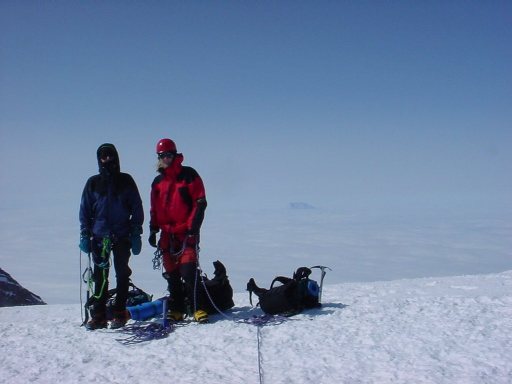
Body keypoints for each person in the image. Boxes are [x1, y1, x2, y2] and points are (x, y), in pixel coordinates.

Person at [79, 143, 144, 330]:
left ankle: (119, 313)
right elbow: (85, 209)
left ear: (116, 157)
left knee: (122, 274)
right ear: (99, 159)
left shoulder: (126, 181)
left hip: (122, 235)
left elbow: (136, 207)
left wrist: (135, 231)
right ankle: (98, 316)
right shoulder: (93, 183)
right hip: (99, 237)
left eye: (110, 156)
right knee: (100, 277)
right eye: (103, 157)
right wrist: (85, 232)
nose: (107, 160)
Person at [148, 138, 208, 323]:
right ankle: (177, 309)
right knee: (172, 274)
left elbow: (200, 202)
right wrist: (153, 229)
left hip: (186, 233)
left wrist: (192, 229)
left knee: (189, 271)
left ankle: (197, 308)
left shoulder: (189, 175)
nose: (166, 158)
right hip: (167, 234)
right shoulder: (157, 182)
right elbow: (154, 209)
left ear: (175, 155)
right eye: (162, 156)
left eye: (168, 155)